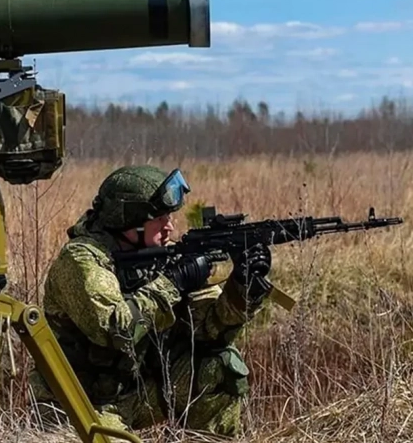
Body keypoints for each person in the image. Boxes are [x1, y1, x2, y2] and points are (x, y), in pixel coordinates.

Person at [28, 165, 273, 437]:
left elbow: (209, 331)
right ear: (131, 221)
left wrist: (243, 287)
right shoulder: (81, 262)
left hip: (138, 391)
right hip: (81, 404)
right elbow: (115, 330)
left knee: (221, 367)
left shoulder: (158, 254)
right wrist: (171, 284)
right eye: (160, 218)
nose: (170, 226)